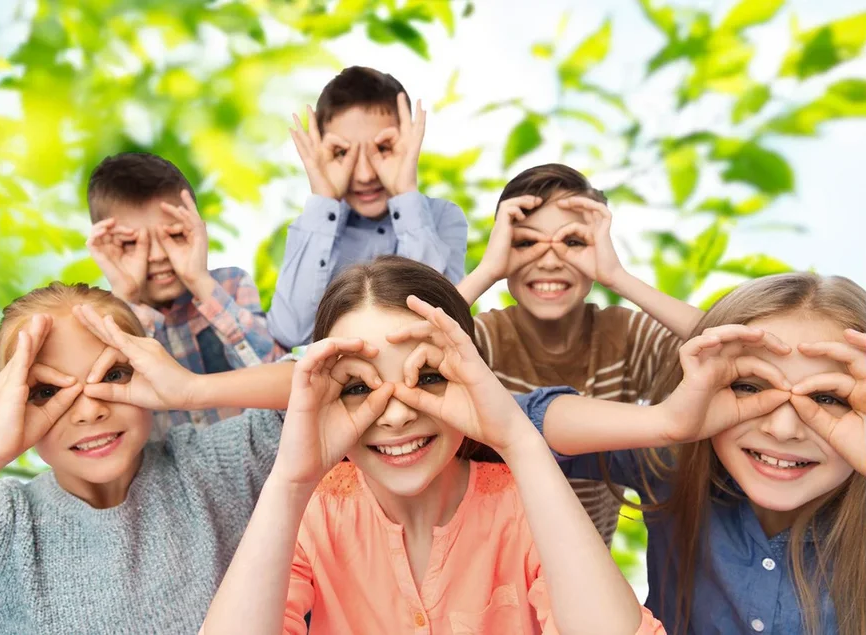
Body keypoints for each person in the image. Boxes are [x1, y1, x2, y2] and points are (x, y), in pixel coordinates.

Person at [201, 256, 665, 634]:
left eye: (428, 377)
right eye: (359, 387)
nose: (398, 413)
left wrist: (519, 439)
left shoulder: (523, 505)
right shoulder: (316, 512)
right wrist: (289, 480)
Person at [522, 273, 866, 634]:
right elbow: (500, 425)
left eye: (828, 398)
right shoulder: (673, 460)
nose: (782, 429)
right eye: (748, 386)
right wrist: (664, 422)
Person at [0, 282, 290, 633]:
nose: (89, 411)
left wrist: (193, 389)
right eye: (47, 392)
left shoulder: (212, 466)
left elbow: (333, 383)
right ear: (9, 404)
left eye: (113, 375)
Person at [457, 163, 702, 545]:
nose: (550, 260)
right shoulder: (484, 338)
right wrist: (486, 270)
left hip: (588, 563)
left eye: (572, 242)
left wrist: (618, 277)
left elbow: (735, 346)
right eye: (525, 242)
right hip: (489, 560)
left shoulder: (625, 336)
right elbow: (402, 349)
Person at [267, 66, 469, 350]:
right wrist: (323, 197)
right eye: (342, 153)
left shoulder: (443, 217)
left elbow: (433, 323)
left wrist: (404, 192)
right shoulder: (315, 227)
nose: (364, 174)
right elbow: (290, 331)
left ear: (409, 143)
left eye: (383, 148)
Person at [86, 152, 284, 435]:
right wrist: (125, 299)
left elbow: (283, 376)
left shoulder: (230, 285)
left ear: (198, 230)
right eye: (131, 243)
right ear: (105, 248)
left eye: (175, 235)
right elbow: (104, 409)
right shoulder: (102, 321)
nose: (157, 255)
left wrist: (200, 282)